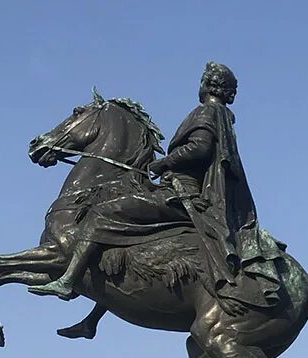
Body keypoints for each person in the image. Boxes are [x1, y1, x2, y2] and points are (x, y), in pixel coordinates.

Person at [32, 62, 284, 313]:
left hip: (181, 193)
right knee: (125, 240)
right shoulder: (223, 117)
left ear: (207, 84)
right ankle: (92, 318)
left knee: (102, 214)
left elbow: (200, 148)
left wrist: (164, 163)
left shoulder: (206, 112)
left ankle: (67, 282)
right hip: (185, 191)